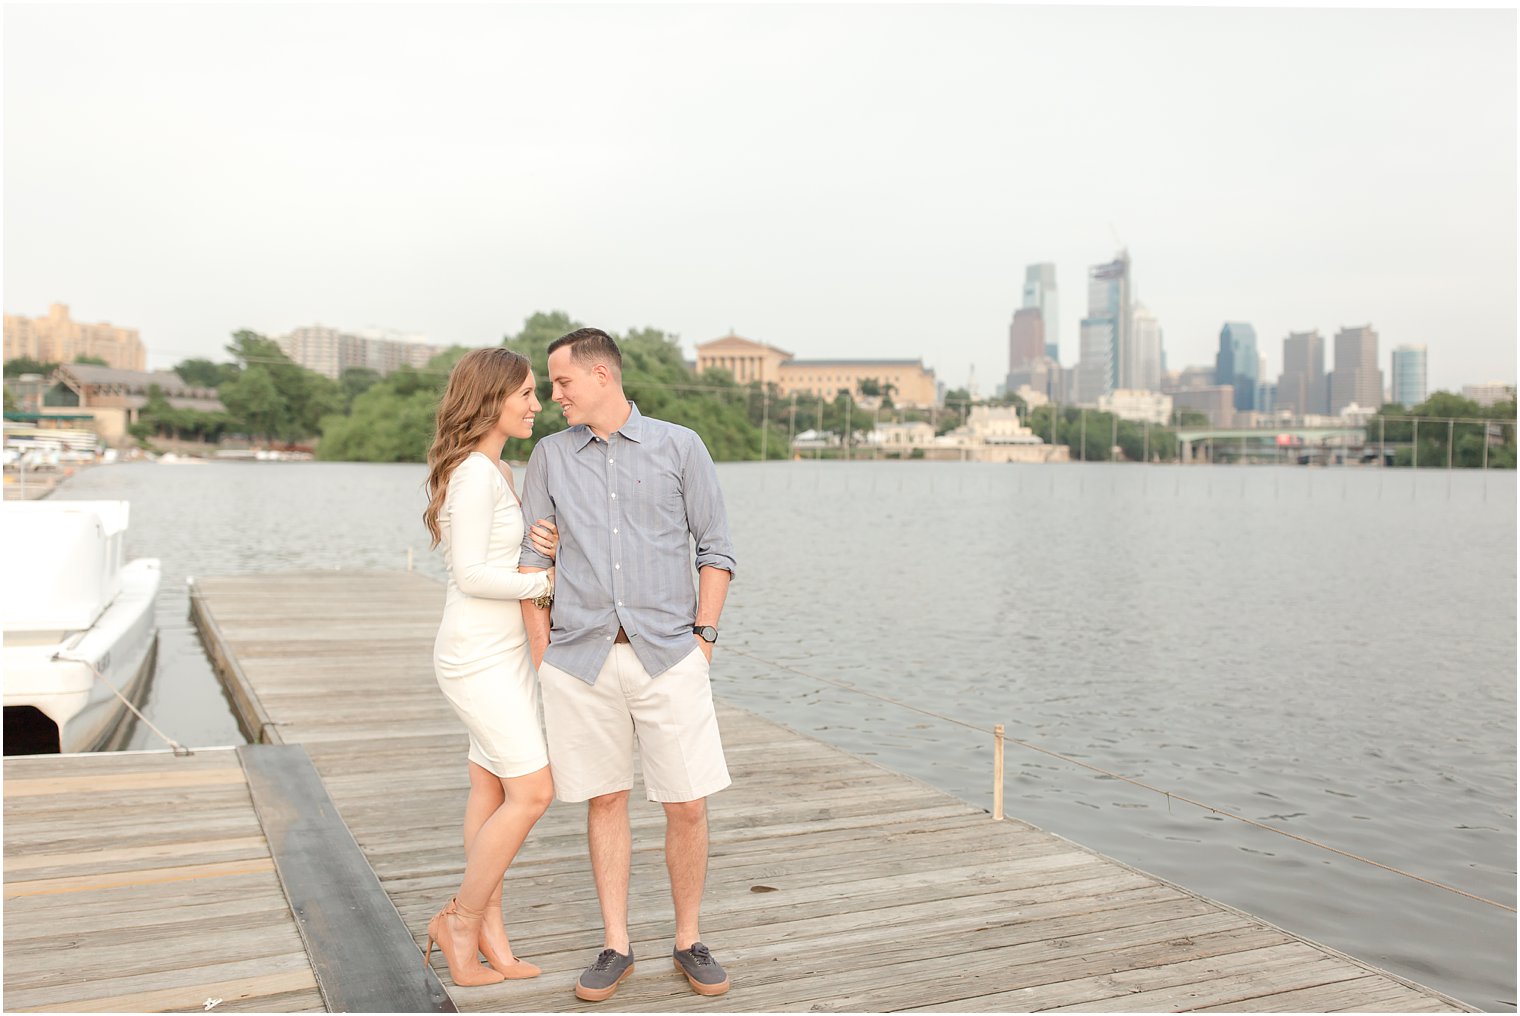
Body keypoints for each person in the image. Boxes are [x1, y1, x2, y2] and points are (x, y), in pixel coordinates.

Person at [519, 327, 737, 1002]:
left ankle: (687, 939)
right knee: (605, 799)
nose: (553, 396)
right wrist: (542, 656)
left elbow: (717, 548)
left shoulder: (680, 446)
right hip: (580, 660)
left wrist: (703, 638)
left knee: (688, 803)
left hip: (670, 655)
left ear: (602, 376)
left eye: (561, 382)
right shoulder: (550, 457)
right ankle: (616, 943)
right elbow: (533, 563)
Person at [421, 347, 562, 988]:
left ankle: (490, 936)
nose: (538, 405)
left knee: (493, 789)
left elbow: (505, 556)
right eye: (527, 394)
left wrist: (541, 549)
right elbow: (472, 575)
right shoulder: (477, 475)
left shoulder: (494, 471)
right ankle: (459, 920)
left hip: (502, 655)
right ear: (492, 398)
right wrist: (546, 581)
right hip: (476, 655)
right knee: (534, 791)